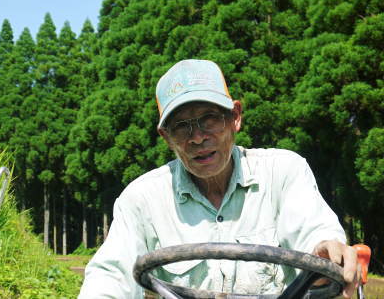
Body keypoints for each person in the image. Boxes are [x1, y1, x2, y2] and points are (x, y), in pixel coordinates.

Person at [79, 59, 360, 298]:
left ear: (235, 117)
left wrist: (324, 251)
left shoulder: (283, 172)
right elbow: (110, 276)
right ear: (166, 138)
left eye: (210, 118)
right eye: (181, 126)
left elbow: (313, 232)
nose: (198, 137)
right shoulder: (142, 199)